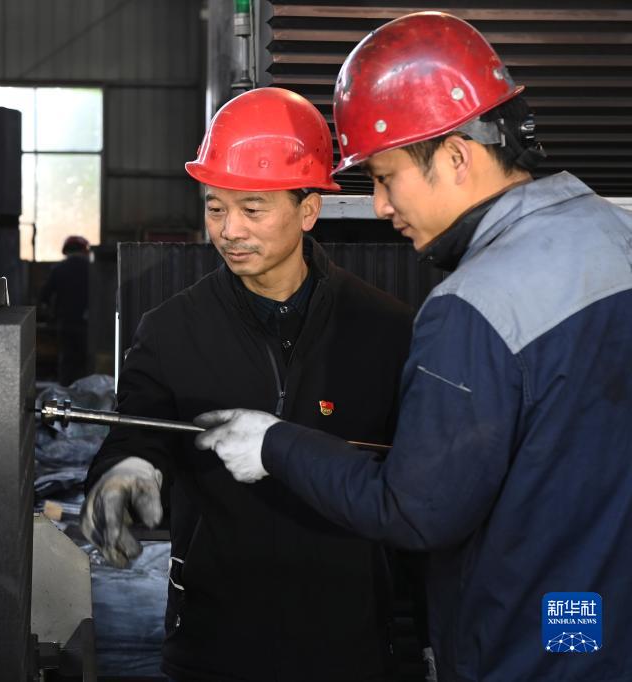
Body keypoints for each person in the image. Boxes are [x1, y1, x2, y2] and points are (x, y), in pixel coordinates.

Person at [194, 12, 632, 682]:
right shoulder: (614, 236)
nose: (378, 205)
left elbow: (415, 510)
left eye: (384, 176)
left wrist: (274, 445)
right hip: (597, 621)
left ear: (456, 157)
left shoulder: (474, 307)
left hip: (526, 644)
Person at [81, 87, 416, 681]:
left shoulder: (383, 329)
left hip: (348, 638)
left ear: (307, 210)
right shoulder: (171, 330)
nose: (229, 230)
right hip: (214, 639)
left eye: (252, 209)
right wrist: (125, 471)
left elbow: (416, 484)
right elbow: (136, 433)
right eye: (216, 209)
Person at [40, 235, 91, 385]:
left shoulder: (58, 269)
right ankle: (84, 391)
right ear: (84, 250)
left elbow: (44, 296)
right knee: (85, 361)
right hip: (87, 323)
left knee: (67, 360)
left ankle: (65, 391)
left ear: (66, 250)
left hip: (65, 323)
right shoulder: (92, 269)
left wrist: (50, 313)